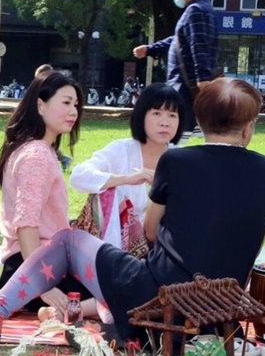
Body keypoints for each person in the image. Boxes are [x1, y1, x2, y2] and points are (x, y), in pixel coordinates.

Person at [0, 79, 265, 345]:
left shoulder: (177, 160)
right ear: (249, 126)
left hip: (161, 297)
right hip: (219, 310)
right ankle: (101, 318)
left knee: (70, 240)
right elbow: (254, 241)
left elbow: (149, 230)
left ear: (199, 121)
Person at [0, 70, 91, 317]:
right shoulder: (37, 156)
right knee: (124, 294)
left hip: (32, 267)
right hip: (37, 270)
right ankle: (63, 311)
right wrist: (44, 287)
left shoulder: (34, 149)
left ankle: (63, 311)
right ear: (40, 106)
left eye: (75, 104)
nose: (73, 111)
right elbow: (26, 224)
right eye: (65, 102)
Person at [69, 82, 185, 249]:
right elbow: (79, 176)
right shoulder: (122, 150)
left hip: (167, 248)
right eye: (157, 113)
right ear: (141, 116)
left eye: (172, 115)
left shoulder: (182, 159)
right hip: (118, 248)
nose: (165, 122)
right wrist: (126, 179)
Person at [133, 0, 218, 131]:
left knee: (176, 130)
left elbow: (199, 45)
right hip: (184, 81)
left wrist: (203, 78)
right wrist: (151, 49)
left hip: (185, 82)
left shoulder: (196, 11)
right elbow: (179, 40)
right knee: (177, 129)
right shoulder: (201, 9)